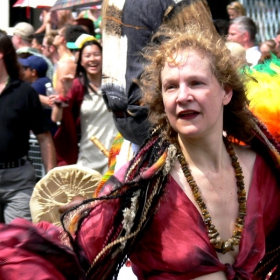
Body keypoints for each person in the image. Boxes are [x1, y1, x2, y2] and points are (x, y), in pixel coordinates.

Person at [0, 18, 280, 279]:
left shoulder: (264, 170)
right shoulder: (144, 183)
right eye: (171, 87)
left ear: (226, 92)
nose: (183, 96)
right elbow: (70, 250)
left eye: (196, 82)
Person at [0, 31, 56, 224]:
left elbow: (44, 137)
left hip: (18, 181)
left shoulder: (25, 92)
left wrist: (50, 178)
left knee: (18, 245)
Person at [52, 35, 117, 173]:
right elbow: (56, 118)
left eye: (96, 55)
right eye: (87, 55)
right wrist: (63, 94)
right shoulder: (77, 86)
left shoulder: (116, 84)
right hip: (88, 157)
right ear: (81, 61)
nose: (92, 59)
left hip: (116, 157)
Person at [18, 55, 58, 136]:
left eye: (25, 68)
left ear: (33, 72)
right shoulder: (32, 82)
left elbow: (23, 96)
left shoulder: (41, 83)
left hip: (49, 133)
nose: (22, 71)